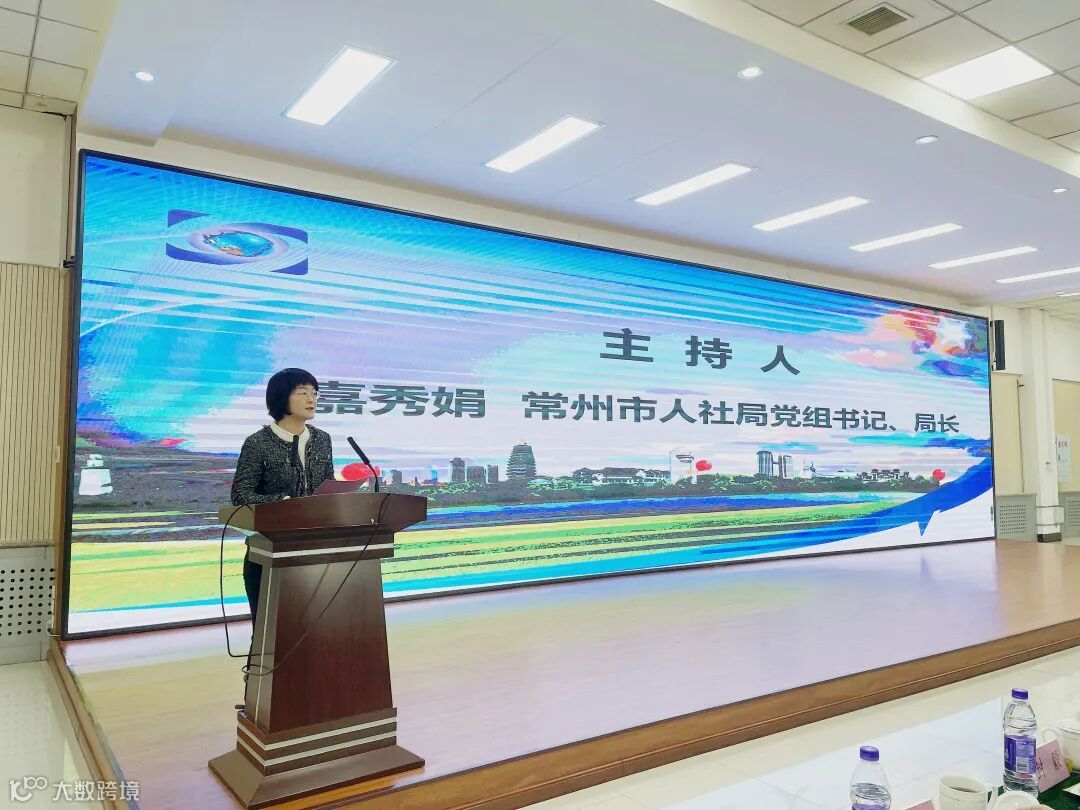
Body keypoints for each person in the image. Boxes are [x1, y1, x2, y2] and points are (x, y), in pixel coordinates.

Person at [231, 368, 335, 619]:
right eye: (302, 392)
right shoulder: (258, 443)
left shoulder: (323, 440)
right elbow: (241, 494)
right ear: (281, 397)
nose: (311, 399)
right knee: (271, 628)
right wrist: (284, 504)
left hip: (315, 549)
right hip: (269, 550)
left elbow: (328, 485)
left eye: (314, 393)